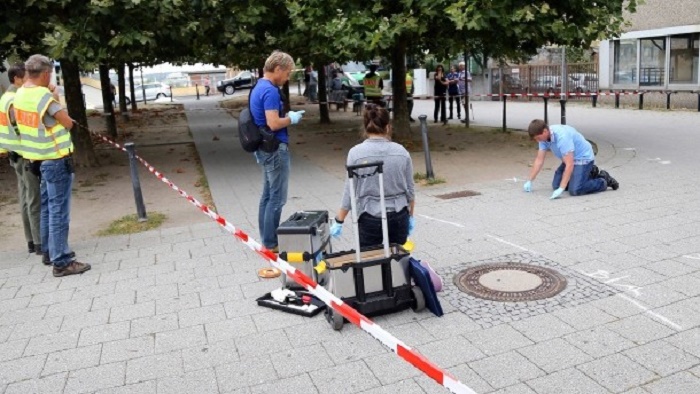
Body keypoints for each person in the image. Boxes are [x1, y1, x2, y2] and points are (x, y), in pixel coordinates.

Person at [15, 54, 90, 276]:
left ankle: (49, 252)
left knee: (48, 207)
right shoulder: (43, 96)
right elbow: (66, 123)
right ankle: (62, 261)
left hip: (36, 159)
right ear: (47, 73)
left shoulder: (20, 94)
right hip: (55, 158)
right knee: (59, 211)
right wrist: (55, 97)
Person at [330, 104, 416, 247]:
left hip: (369, 215)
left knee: (370, 263)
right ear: (388, 127)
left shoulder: (355, 153)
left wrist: (339, 220)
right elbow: (410, 189)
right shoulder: (402, 152)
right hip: (399, 215)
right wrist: (411, 216)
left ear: (365, 127)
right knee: (398, 261)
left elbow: (350, 191)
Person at [250, 51, 305, 251]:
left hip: (264, 148)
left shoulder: (258, 86)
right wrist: (292, 118)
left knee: (267, 195)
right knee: (277, 198)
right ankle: (272, 243)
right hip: (275, 149)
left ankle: (266, 239)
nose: (288, 77)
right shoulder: (271, 90)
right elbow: (273, 123)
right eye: (288, 72)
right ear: (278, 69)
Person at [0, 63, 42, 256]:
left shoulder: (4, 98)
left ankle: (31, 241)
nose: (28, 81)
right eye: (25, 78)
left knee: (25, 198)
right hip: (24, 154)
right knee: (34, 198)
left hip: (13, 155)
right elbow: (20, 128)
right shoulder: (15, 99)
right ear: (17, 79)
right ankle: (40, 242)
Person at [523, 119, 619, 199]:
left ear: (545, 131)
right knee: (556, 185)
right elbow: (539, 160)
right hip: (568, 158)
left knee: (575, 190)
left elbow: (570, 164)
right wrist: (530, 180)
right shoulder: (543, 138)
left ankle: (603, 180)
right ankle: (588, 174)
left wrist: (562, 188)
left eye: (538, 138)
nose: (537, 141)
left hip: (583, 158)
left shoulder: (562, 137)